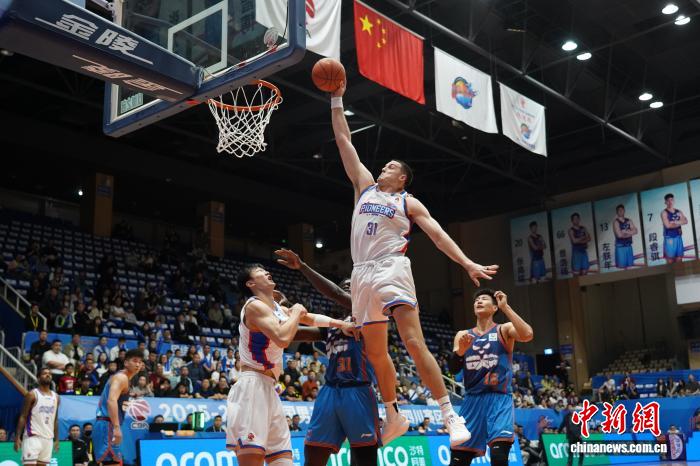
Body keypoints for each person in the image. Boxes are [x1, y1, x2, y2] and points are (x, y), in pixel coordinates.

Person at [330, 80, 497, 446]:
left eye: (391, 166)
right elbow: (344, 140)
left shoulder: (408, 202)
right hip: (360, 274)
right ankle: (393, 414)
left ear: (402, 178)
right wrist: (336, 98)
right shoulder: (364, 186)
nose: (384, 167)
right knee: (375, 352)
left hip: (391, 267)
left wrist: (467, 263)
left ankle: (449, 415)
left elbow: (437, 235)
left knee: (412, 341)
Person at [226, 264, 349, 466]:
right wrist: (296, 312)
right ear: (250, 283)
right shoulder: (254, 306)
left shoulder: (277, 309)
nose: (266, 272)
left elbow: (309, 318)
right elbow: (283, 338)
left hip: (270, 387)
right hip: (252, 386)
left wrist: (341, 324)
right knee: (252, 459)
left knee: (282, 459)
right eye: (260, 272)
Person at [276, 248, 382, 466]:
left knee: (363, 459)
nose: (346, 291)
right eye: (344, 287)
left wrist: (303, 267)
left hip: (357, 391)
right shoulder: (332, 327)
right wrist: (279, 310)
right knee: (313, 453)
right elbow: (291, 334)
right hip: (330, 392)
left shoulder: (369, 316)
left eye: (350, 288)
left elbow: (335, 293)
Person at [448, 290, 533, 466]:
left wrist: (506, 307)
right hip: (472, 401)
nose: (479, 301)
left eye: (484, 299)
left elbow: (527, 335)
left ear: (494, 307)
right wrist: (460, 352)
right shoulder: (463, 335)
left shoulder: (504, 329)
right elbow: (453, 369)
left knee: (499, 457)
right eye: (476, 300)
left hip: (498, 399)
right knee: (458, 460)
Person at [92, 349, 144, 465]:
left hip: (107, 424)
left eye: (140, 362)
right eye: (135, 361)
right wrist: (116, 427)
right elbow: (111, 400)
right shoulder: (121, 378)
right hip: (108, 425)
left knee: (114, 461)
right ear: (126, 363)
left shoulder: (124, 377)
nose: (138, 364)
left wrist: (129, 394)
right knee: (111, 462)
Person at [14, 368, 60, 466]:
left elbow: (55, 419)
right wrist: (17, 437)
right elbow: (23, 416)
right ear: (38, 378)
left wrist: (56, 439)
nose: (48, 375)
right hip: (33, 437)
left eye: (49, 373)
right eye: (44, 373)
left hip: (48, 438)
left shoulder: (56, 397)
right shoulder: (32, 394)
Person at [662, 193, 688, 264]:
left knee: (679, 259)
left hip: (678, 237)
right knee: (670, 261)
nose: (670, 202)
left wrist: (674, 222)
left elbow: (686, 221)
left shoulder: (678, 211)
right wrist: (680, 222)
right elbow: (668, 226)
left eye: (671, 200)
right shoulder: (664, 213)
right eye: (668, 200)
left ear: (674, 201)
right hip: (669, 239)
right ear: (665, 202)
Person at [613, 204, 638, 269]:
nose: (621, 211)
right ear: (617, 212)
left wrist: (625, 232)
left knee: (630, 266)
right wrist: (630, 232)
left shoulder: (629, 220)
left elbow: (635, 231)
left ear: (624, 210)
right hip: (620, 247)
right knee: (622, 267)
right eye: (619, 210)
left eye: (622, 210)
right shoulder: (616, 222)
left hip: (628, 246)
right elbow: (619, 235)